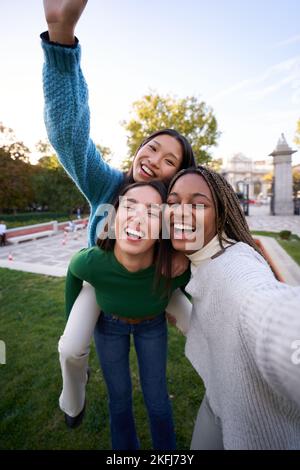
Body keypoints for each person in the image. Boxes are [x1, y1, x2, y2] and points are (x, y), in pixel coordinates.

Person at [41, 0, 196, 425]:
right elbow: (70, 137)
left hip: (156, 282)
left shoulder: (176, 209)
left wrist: (187, 260)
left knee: (201, 324)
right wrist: (61, 39)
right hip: (105, 280)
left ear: (178, 177)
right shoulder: (108, 185)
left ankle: (235, 396)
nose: (154, 159)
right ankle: (72, 403)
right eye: (152, 147)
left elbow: (205, 236)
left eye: (169, 160)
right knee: (70, 348)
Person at [165, 166, 300, 450]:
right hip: (218, 400)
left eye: (198, 204)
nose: (179, 212)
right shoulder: (205, 257)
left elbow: (262, 305)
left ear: (222, 213)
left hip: (257, 429)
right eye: (173, 202)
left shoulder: (233, 265)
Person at [65, 180, 190, 450]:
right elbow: (73, 274)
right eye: (129, 206)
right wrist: (72, 325)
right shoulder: (91, 262)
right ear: (114, 215)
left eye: (153, 212)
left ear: (164, 229)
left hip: (153, 327)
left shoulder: (173, 268)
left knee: (157, 401)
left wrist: (184, 261)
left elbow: (191, 284)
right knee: (119, 400)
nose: (138, 217)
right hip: (109, 327)